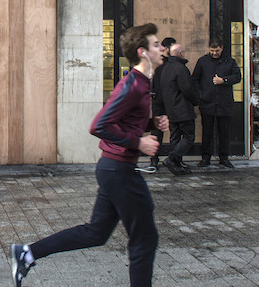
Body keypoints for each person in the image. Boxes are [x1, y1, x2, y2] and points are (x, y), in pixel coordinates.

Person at [11, 23, 168, 287]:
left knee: (96, 233)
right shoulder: (132, 85)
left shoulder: (141, 83)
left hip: (113, 169)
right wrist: (138, 143)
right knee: (144, 238)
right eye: (156, 45)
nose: (161, 48)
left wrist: (151, 123)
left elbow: (124, 120)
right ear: (143, 52)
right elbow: (99, 125)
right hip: (119, 171)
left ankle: (27, 253)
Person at [192, 38, 241, 168]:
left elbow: (237, 77)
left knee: (224, 132)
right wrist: (200, 94)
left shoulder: (229, 62)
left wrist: (223, 80)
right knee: (206, 132)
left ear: (222, 48)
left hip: (224, 103)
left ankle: (224, 158)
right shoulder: (203, 61)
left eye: (217, 51)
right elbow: (195, 79)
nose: (214, 53)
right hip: (207, 102)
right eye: (212, 51)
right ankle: (205, 158)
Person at [160, 43, 199, 176]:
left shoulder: (166, 68)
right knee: (188, 136)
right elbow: (187, 89)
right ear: (180, 53)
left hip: (171, 109)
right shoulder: (181, 68)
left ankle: (176, 165)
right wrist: (195, 101)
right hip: (182, 109)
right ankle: (172, 159)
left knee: (175, 137)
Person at [150, 37, 176, 170]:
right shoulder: (158, 62)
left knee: (174, 131)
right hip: (159, 101)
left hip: (171, 101)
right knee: (157, 131)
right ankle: (154, 158)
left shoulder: (174, 63)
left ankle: (173, 158)